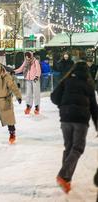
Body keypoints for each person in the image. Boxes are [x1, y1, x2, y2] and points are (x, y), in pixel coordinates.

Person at [50, 61, 98, 194]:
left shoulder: (66, 81)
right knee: (77, 148)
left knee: (69, 147)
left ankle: (66, 179)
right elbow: (94, 107)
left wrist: (64, 105)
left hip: (65, 118)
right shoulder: (88, 84)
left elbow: (54, 97)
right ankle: (63, 175)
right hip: (80, 120)